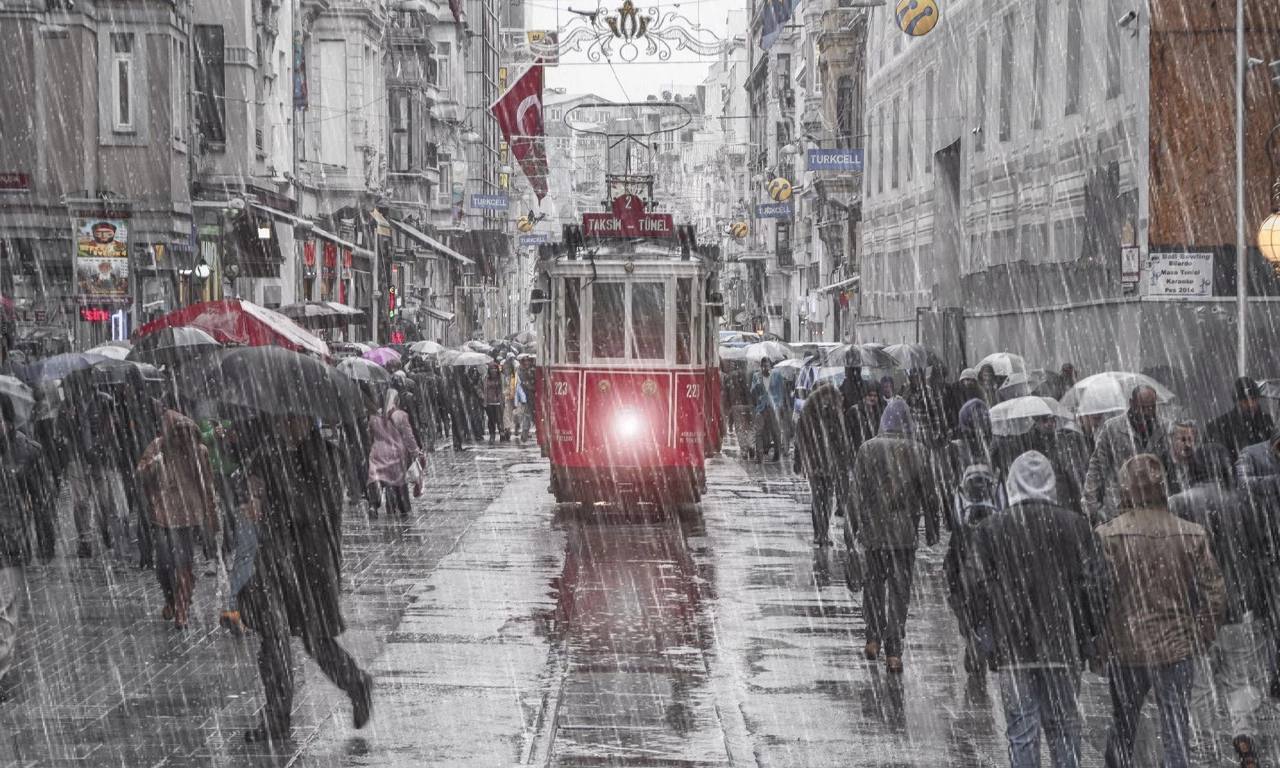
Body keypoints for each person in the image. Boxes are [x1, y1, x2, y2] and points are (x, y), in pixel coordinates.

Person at [965, 451, 1108, 768]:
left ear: (1012, 484)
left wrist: (986, 630)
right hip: (1062, 643)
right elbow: (1094, 585)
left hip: (1013, 646)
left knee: (1022, 730)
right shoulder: (1075, 526)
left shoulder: (991, 529)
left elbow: (975, 586)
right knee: (1064, 727)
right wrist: (1089, 635)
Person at [239, 415, 373, 744]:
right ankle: (276, 719)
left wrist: (271, 491)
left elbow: (314, 509)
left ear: (306, 419)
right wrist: (252, 493)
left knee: (316, 639)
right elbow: (251, 491)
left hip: (311, 564)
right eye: (282, 418)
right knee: (272, 640)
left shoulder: (326, 455)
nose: (285, 424)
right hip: (273, 561)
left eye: (292, 418)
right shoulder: (270, 453)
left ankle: (356, 683)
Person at [1096, 453, 1225, 768]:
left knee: (1124, 724)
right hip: (1176, 646)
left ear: (1125, 487)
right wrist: (1200, 636)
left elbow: (1097, 596)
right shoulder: (1190, 533)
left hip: (1128, 648)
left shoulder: (1109, 535)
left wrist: (1102, 641)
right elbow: (1216, 592)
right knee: (1175, 726)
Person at [1169, 445, 1269, 766]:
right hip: (1241, 607)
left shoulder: (1177, 504)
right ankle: (1243, 732)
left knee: (1198, 685)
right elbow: (1262, 551)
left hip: (1195, 610)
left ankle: (1204, 745)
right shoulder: (1245, 503)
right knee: (1241, 680)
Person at [849, 397, 941, 672]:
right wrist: (932, 529)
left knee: (874, 586)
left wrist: (850, 531)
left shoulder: (867, 449)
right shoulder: (920, 451)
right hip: (904, 535)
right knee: (900, 593)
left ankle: (872, 638)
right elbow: (930, 496)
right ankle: (895, 651)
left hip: (874, 532)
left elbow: (856, 495)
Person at [136, 410, 220, 630]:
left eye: (186, 434)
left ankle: (183, 606)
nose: (182, 439)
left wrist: (211, 514)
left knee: (184, 563)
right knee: (163, 562)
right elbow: (142, 473)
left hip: (187, 515)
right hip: (162, 514)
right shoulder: (158, 447)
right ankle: (170, 598)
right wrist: (155, 464)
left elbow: (207, 485)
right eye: (178, 434)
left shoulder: (199, 452)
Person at [0, 399, 45, 687]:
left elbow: (41, 499)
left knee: (4, 610)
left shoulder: (27, 452)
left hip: (10, 539)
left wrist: (44, 535)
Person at [1082, 385, 1173, 525]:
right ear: (1131, 403)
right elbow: (1097, 466)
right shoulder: (1112, 428)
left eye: (1152, 407)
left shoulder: (1166, 428)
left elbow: (1173, 468)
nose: (1148, 412)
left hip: (1155, 506)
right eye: (1143, 407)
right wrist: (1090, 504)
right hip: (1118, 507)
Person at [991, 414, 1091, 515]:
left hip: (1059, 499)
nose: (1049, 423)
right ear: (1036, 421)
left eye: (1053, 419)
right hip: (1040, 501)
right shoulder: (1025, 442)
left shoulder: (1062, 441)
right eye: (1044, 420)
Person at [65, 384, 122, 559]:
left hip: (100, 456)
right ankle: (85, 541)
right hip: (77, 455)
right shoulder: (69, 402)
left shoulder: (105, 400)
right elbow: (60, 431)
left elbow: (116, 428)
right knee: (81, 501)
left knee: (104, 500)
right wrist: (68, 419)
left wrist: (114, 424)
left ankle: (108, 534)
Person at [793, 381, 848, 546]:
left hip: (830, 465)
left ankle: (824, 532)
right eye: (823, 395)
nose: (826, 399)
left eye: (828, 396)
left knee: (828, 499)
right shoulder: (807, 415)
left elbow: (841, 441)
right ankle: (819, 533)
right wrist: (799, 461)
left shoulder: (834, 414)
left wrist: (842, 461)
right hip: (815, 464)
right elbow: (800, 440)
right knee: (818, 499)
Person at [365, 388, 420, 519]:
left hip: (378, 452)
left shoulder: (374, 416)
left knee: (376, 479)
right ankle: (403, 507)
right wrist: (415, 451)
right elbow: (408, 436)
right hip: (396, 453)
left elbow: (369, 434)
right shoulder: (401, 415)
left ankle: (373, 505)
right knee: (398, 480)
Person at [1208, 377, 1275, 463]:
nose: (1250, 405)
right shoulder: (1219, 426)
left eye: (1253, 399)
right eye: (1245, 400)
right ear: (1236, 402)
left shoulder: (1267, 421)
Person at [751, 358, 781, 463]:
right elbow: (752, 392)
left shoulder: (776, 375)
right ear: (761, 367)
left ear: (771, 366)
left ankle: (777, 453)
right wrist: (756, 385)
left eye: (767, 366)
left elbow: (780, 391)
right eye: (763, 367)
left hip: (773, 407)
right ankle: (759, 456)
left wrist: (779, 405)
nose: (765, 369)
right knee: (759, 431)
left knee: (775, 431)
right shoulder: (756, 376)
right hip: (761, 407)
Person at [1163, 420, 1199, 496]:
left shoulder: (1200, 464)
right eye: (1183, 439)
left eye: (1191, 440)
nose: (1188, 444)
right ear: (1170, 440)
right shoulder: (1160, 464)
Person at [516, 356, 538, 443]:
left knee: (528, 416)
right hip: (528, 397)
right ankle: (525, 433)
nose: (527, 363)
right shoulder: (526, 371)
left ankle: (525, 433)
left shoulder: (526, 371)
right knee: (528, 415)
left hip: (530, 397)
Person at [482, 362, 505, 443]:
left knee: (499, 419)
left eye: (495, 368)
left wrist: (504, 394)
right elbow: (479, 388)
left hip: (499, 402)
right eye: (492, 369)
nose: (494, 370)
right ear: (489, 370)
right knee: (491, 420)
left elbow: (506, 387)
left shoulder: (501, 377)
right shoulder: (485, 379)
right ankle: (492, 435)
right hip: (488, 402)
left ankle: (501, 433)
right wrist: (482, 396)